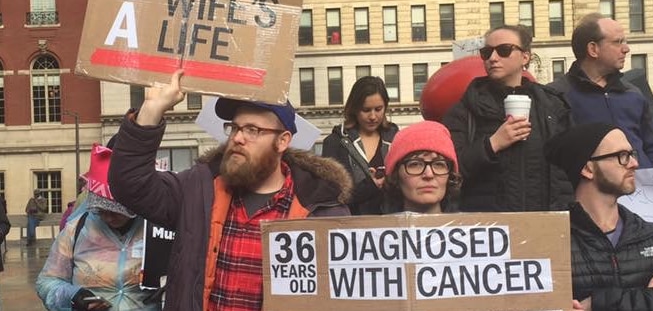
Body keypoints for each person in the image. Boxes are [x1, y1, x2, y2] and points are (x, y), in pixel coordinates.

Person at [108, 70, 352, 311]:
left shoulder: (323, 213)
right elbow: (130, 184)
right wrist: (151, 110)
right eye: (235, 128)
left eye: (252, 130)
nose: (237, 138)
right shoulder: (198, 189)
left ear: (283, 141)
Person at [545, 123, 653, 311]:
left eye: (632, 154)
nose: (634, 163)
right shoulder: (552, 242)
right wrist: (652, 297)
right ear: (588, 169)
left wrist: (598, 304)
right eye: (622, 156)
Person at [443, 25, 573, 212]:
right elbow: (450, 170)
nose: (493, 58)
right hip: (489, 230)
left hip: (546, 224)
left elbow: (570, 170)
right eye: (486, 53)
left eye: (504, 50)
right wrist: (492, 144)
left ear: (525, 57)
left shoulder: (553, 106)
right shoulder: (465, 109)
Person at [36, 143, 159, 311]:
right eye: (100, 210)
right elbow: (47, 282)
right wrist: (74, 296)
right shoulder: (76, 230)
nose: (108, 217)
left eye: (116, 211)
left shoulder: (158, 228)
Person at [548, 13, 653, 168]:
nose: (626, 49)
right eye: (618, 42)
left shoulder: (633, 94)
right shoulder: (557, 96)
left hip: (644, 189)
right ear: (593, 49)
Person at [322, 75, 399, 214]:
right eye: (366, 110)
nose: (373, 116)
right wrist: (370, 186)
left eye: (378, 109)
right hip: (351, 227)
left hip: (391, 225)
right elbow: (329, 195)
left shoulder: (397, 139)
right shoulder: (334, 143)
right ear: (354, 109)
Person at [381, 121, 461, 214]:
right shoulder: (370, 227)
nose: (429, 174)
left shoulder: (472, 226)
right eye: (415, 164)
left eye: (439, 164)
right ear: (396, 175)